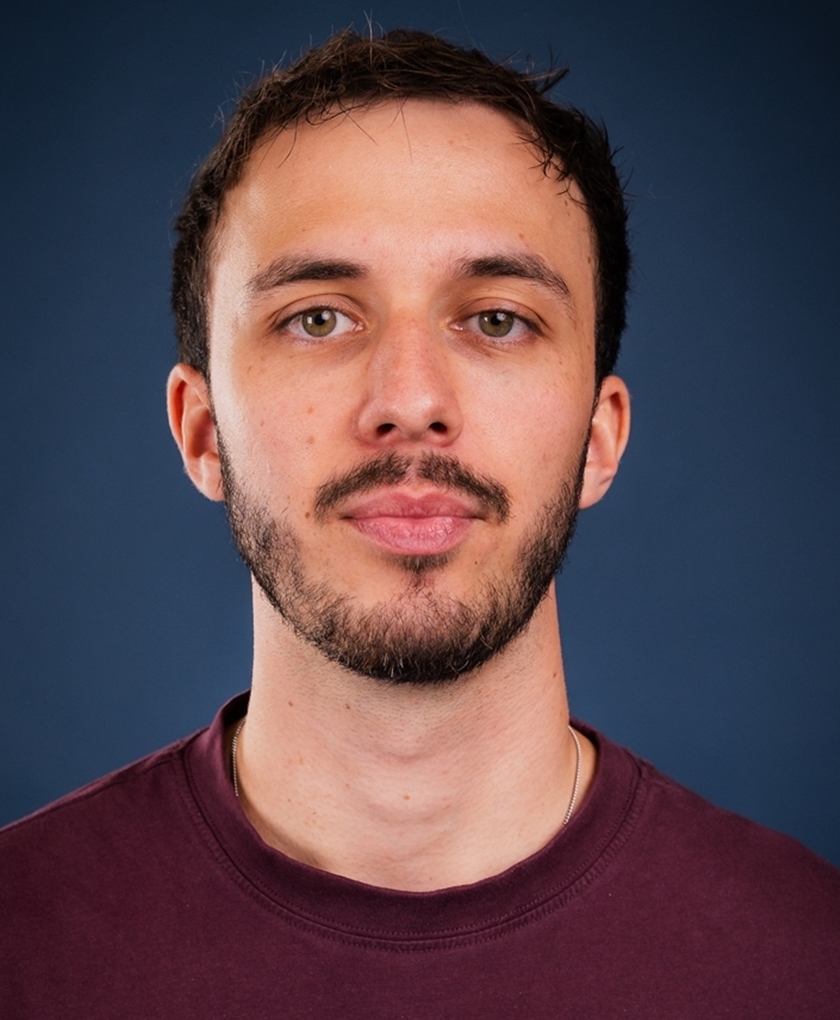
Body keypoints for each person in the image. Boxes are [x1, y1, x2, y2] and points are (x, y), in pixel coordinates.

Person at [2, 28, 838, 1018]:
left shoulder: (810, 961)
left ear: (598, 438)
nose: (409, 401)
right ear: (202, 431)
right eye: (318, 318)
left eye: (497, 320)